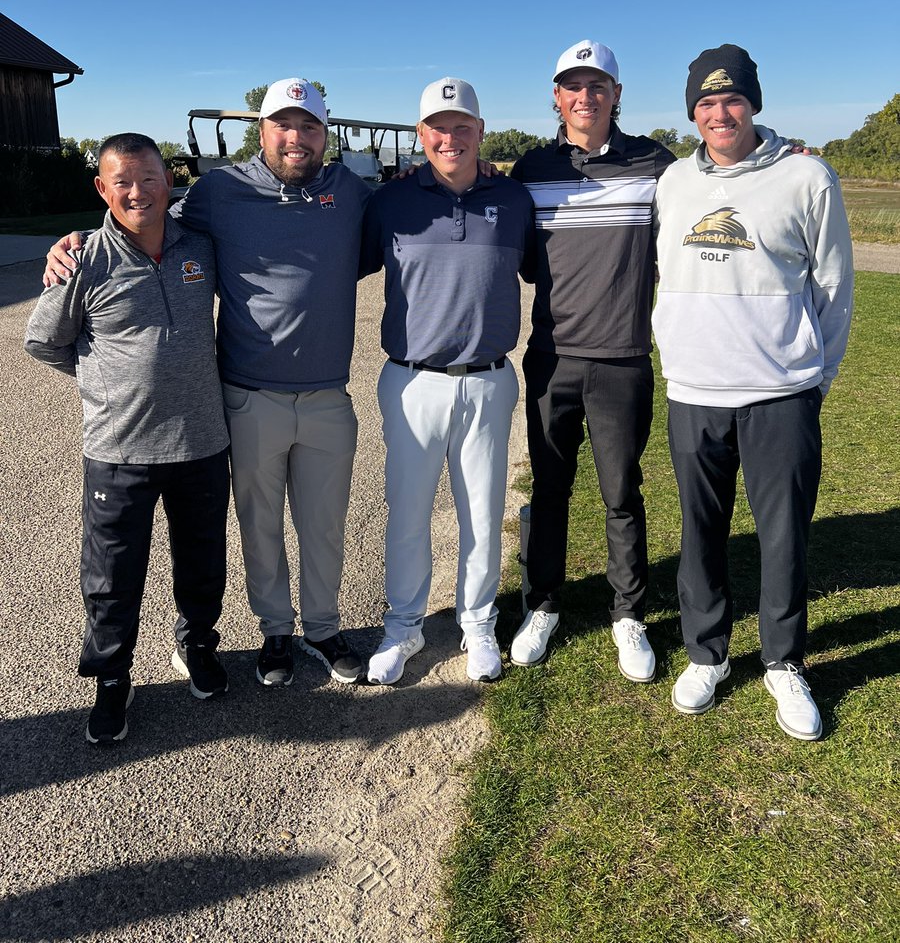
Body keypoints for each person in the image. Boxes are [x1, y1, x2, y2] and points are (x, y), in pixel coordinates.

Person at [44, 80, 373, 689]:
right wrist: (76, 245)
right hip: (248, 396)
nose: (295, 138)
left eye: (308, 127)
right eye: (282, 125)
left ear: (325, 136)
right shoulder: (219, 190)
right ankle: (276, 632)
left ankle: (323, 629)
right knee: (259, 523)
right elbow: (140, 211)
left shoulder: (349, 190)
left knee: (325, 524)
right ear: (263, 130)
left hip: (329, 394)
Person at [653, 45, 853, 741]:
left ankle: (783, 662)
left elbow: (833, 291)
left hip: (780, 395)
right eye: (705, 103)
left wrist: (811, 381)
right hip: (695, 390)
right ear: (692, 113)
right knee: (700, 533)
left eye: (731, 99)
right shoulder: (673, 181)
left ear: (753, 104)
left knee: (784, 537)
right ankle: (707, 652)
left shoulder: (806, 176)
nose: (719, 113)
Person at [25, 135, 231, 744]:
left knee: (203, 559)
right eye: (122, 181)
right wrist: (102, 382)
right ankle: (112, 679)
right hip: (119, 451)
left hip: (201, 440)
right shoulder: (81, 259)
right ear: (103, 189)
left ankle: (196, 645)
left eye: (148, 178)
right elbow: (42, 340)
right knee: (112, 576)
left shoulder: (202, 247)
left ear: (170, 181)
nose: (137, 192)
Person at [508, 41, 676, 679]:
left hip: (625, 358)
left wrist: (774, 145)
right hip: (552, 358)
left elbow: (718, 180)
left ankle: (627, 614)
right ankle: (543, 603)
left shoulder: (656, 164)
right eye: (572, 86)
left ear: (616, 93)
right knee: (550, 489)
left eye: (597, 85)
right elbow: (526, 257)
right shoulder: (531, 169)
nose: (585, 97)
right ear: (557, 97)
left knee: (621, 492)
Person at [361, 78, 535, 684]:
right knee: (406, 512)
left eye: (463, 127)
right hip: (412, 381)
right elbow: (330, 257)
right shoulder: (390, 202)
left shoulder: (514, 198)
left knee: (483, 515)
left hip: (488, 379)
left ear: (481, 133)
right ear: (421, 136)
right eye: (439, 127)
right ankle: (403, 628)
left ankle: (478, 624)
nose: (451, 137)